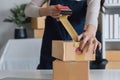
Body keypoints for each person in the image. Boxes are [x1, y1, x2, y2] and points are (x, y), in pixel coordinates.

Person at [25, 0, 107, 69]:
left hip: (76, 50)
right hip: (51, 49)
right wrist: (46, 11)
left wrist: (90, 32)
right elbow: (28, 9)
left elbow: (93, 14)